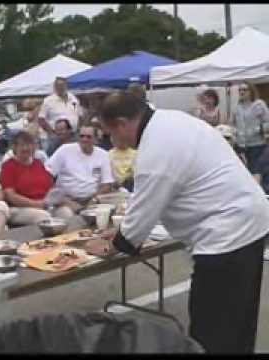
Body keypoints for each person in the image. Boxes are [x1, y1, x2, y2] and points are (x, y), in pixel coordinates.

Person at [99, 90, 269, 354]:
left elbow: (136, 226)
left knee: (211, 333)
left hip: (226, 236)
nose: (112, 140)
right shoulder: (172, 120)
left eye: (110, 133)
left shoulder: (154, 147)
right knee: (239, 324)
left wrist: (108, 245)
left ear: (122, 123)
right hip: (251, 222)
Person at [45, 123, 116, 217]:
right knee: (68, 215)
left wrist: (94, 200)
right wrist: (64, 200)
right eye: (81, 136)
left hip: (93, 199)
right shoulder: (65, 150)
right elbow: (46, 175)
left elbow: (107, 184)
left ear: (96, 139)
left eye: (88, 137)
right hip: (66, 200)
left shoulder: (103, 154)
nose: (84, 139)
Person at [0, 131, 53, 226]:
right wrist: (36, 204)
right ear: (14, 147)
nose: (26, 148)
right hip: (19, 208)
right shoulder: (8, 166)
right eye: (22, 145)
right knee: (44, 217)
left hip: (44, 204)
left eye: (29, 145)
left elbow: (50, 187)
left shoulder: (38, 163)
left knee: (65, 212)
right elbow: (10, 196)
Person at [232, 82, 269, 173]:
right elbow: (233, 124)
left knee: (256, 172)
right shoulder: (237, 107)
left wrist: (259, 129)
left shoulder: (259, 104)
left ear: (251, 91)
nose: (242, 92)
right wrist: (234, 133)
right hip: (240, 147)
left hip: (256, 146)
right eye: (240, 90)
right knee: (243, 173)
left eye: (245, 90)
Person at [38, 77, 82, 147]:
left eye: (62, 85)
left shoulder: (74, 99)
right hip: (56, 137)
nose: (60, 87)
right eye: (58, 86)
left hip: (73, 136)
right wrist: (52, 133)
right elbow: (41, 119)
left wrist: (78, 131)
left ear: (66, 86)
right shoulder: (48, 101)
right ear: (54, 87)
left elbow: (79, 116)